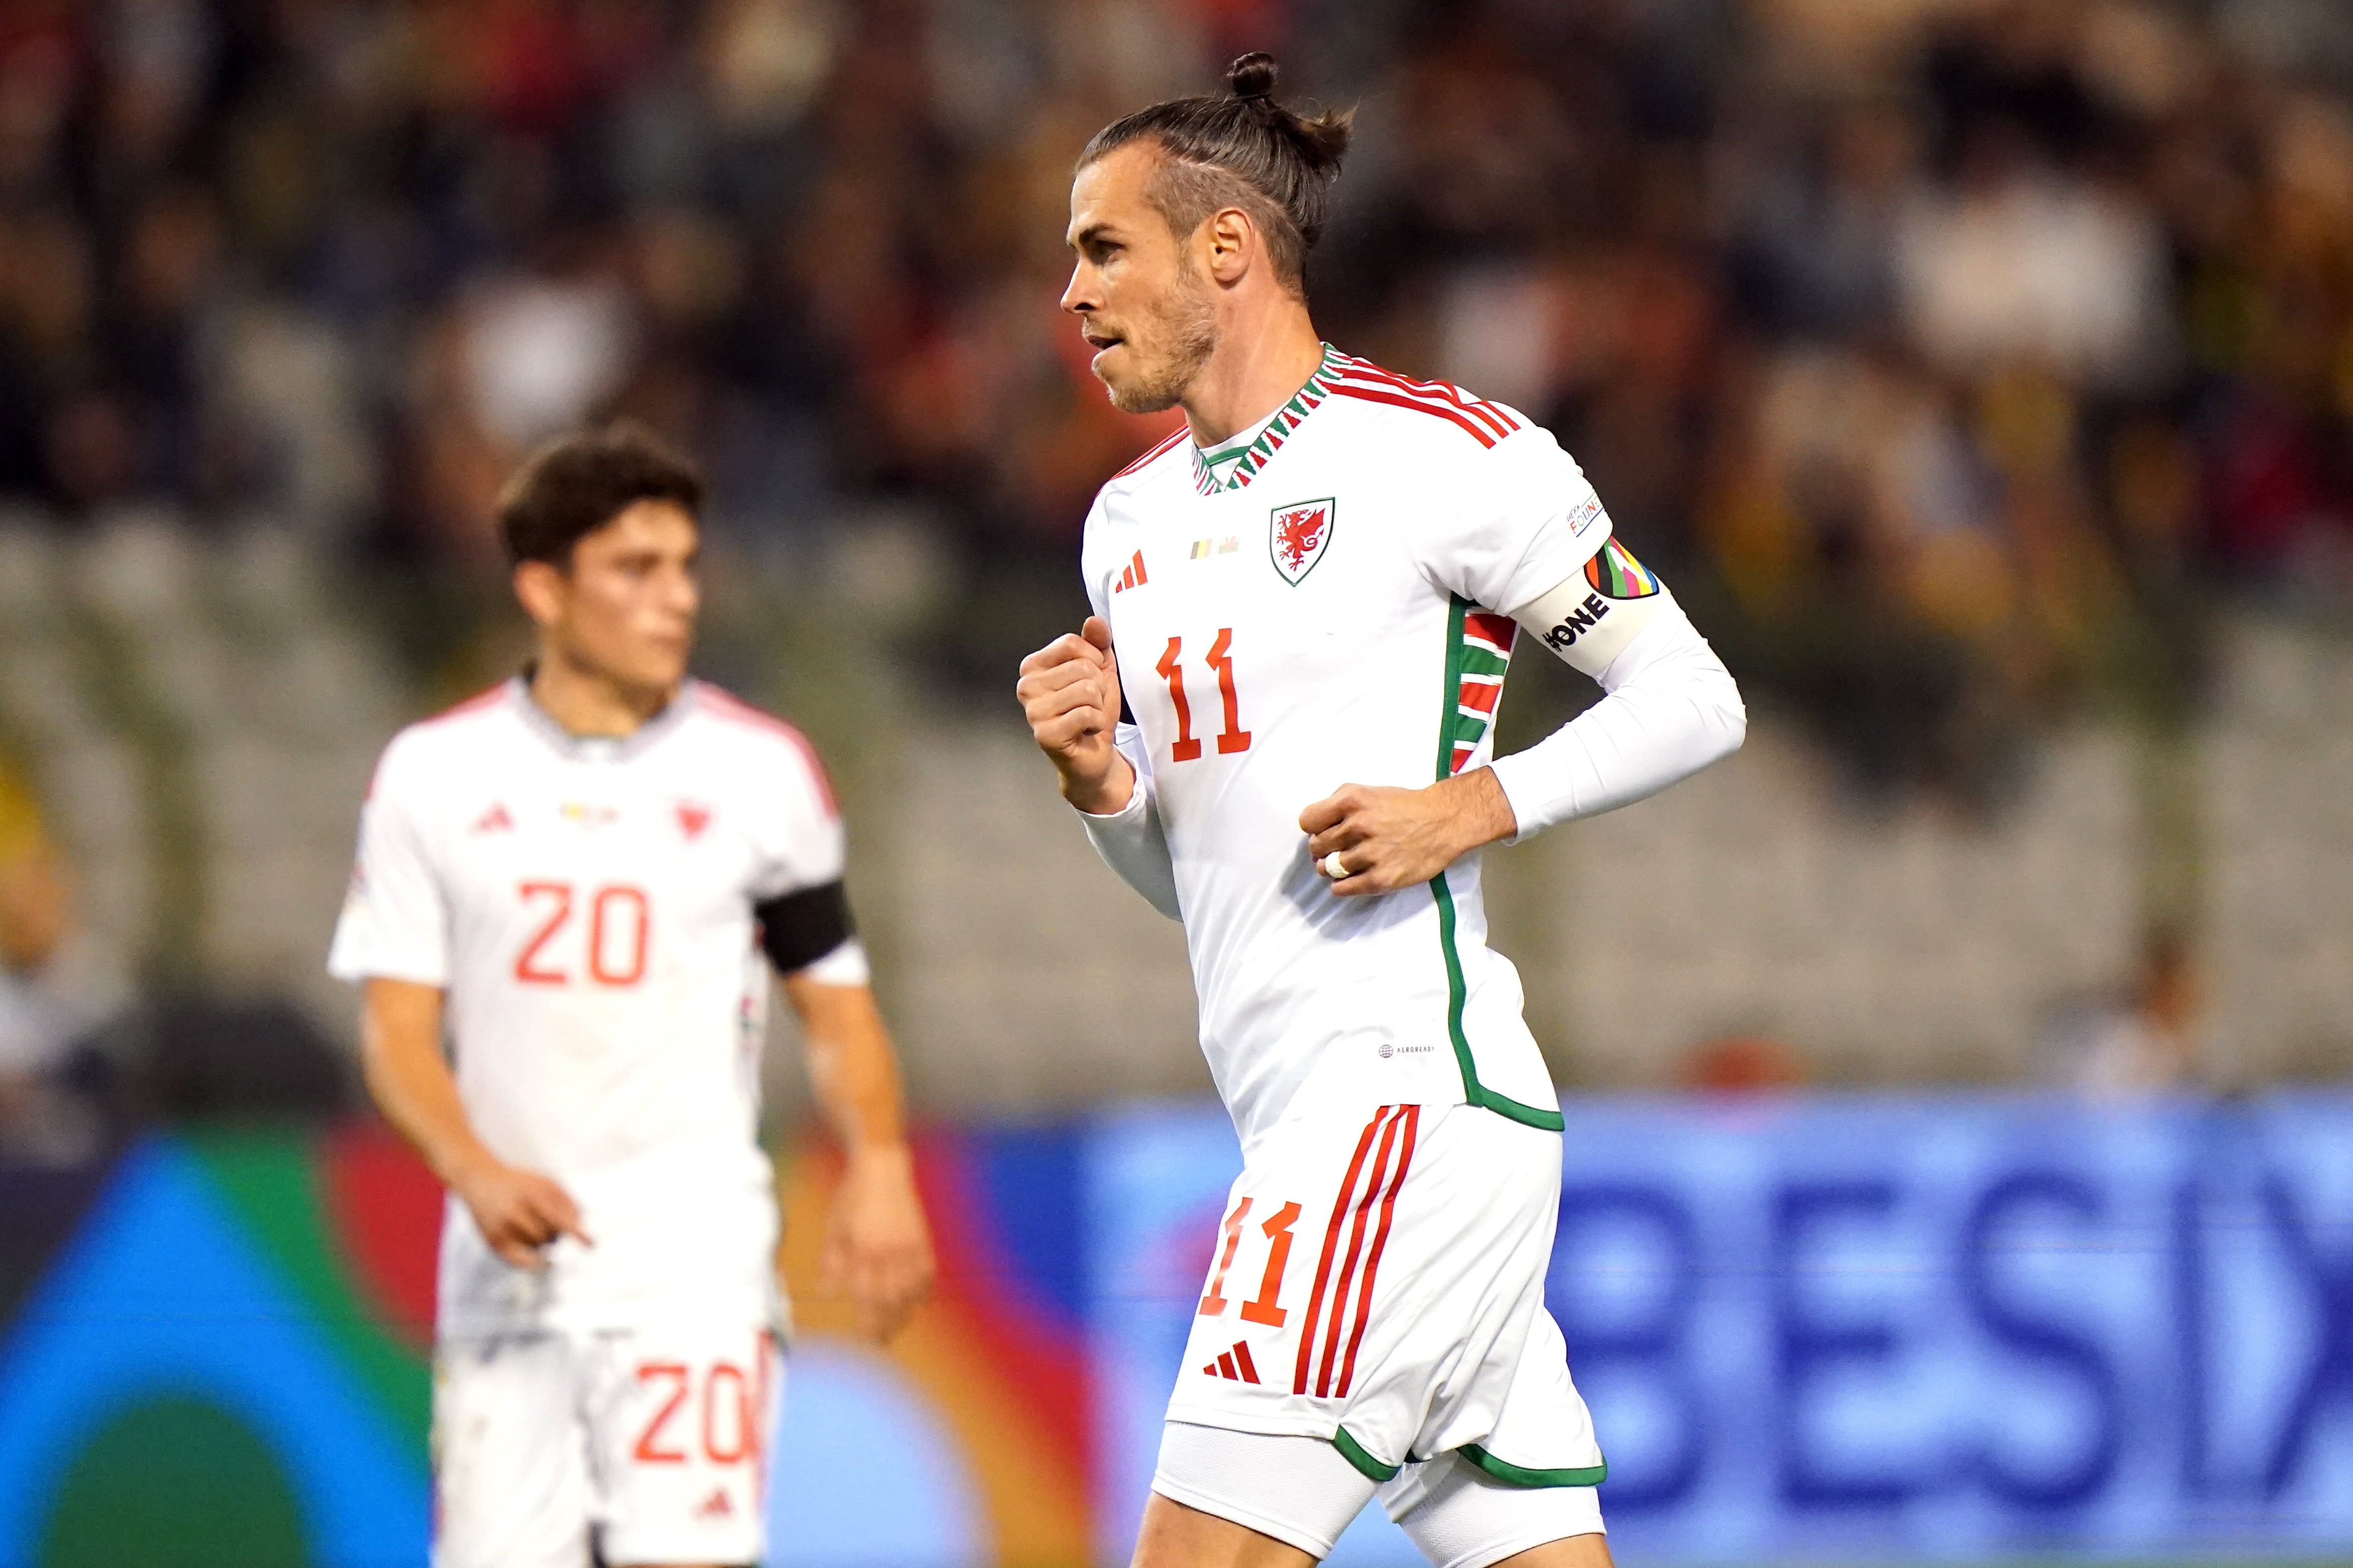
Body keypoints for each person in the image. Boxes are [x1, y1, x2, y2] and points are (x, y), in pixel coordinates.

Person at [1016, 55, 1746, 1568]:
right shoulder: (1126, 526)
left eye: (1103, 248)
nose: (1071, 294)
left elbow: (1691, 694)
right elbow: (1206, 881)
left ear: (1225, 249)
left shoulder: (1443, 454)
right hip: (1308, 1107)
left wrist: (1467, 806)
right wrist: (1104, 790)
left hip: (1394, 1109)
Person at [328, 422, 933, 1568]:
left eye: (686, 567)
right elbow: (397, 1036)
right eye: (635, 571)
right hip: (508, 1284)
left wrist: (883, 1170)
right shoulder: (433, 776)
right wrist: (473, 1168)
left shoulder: (763, 773)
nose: (676, 600)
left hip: (690, 1267)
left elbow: (838, 1012)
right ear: (544, 589)